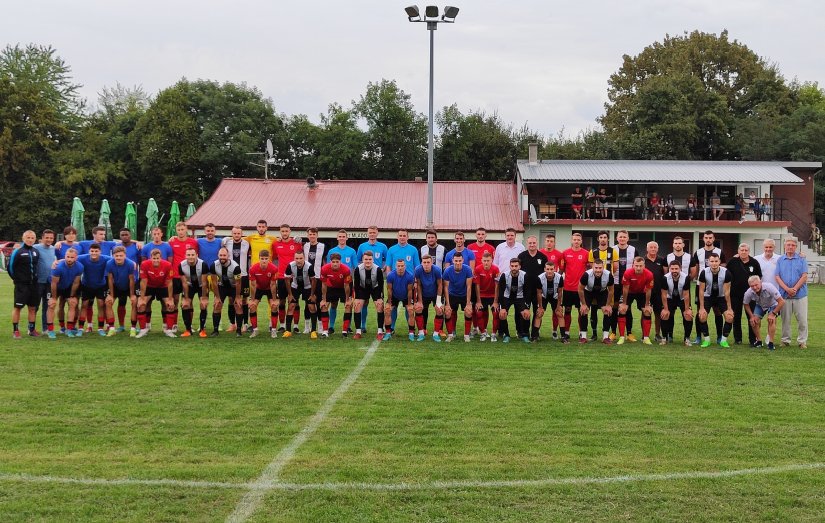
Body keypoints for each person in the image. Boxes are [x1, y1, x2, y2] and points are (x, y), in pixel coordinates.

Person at [690, 230, 724, 344]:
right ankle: (699, 337)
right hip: (701, 286)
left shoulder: (719, 252)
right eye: (706, 237)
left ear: (713, 239)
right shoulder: (698, 252)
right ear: (703, 239)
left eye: (710, 237)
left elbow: (723, 269)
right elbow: (696, 269)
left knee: (718, 311)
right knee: (701, 311)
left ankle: (719, 336)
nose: (708, 240)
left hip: (717, 286)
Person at [726, 243, 762, 346]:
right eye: (742, 250)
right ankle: (738, 339)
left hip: (751, 295)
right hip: (735, 294)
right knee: (736, 317)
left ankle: (752, 339)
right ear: (738, 251)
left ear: (749, 251)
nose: (743, 252)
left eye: (746, 250)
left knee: (751, 317)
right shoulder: (733, 262)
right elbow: (727, 275)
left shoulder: (754, 262)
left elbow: (759, 277)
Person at [775, 237, 808, 348]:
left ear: (796, 247)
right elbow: (777, 276)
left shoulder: (802, 259)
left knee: (802, 319)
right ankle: (785, 340)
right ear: (785, 246)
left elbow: (804, 276)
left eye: (793, 245)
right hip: (784, 295)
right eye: (788, 244)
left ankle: (802, 341)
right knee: (785, 320)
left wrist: (794, 289)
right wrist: (787, 289)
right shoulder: (780, 260)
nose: (790, 247)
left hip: (800, 295)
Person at [385, 229, 420, 332]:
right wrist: (389, 280)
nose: (402, 237)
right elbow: (388, 266)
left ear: (407, 237)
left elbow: (417, 267)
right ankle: (391, 328)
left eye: (404, 235)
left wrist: (416, 281)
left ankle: (411, 330)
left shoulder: (413, 250)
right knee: (393, 306)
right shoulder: (391, 249)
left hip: (409, 282)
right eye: (400, 235)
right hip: (395, 282)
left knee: (409, 306)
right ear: (397, 236)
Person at [696, 253, 734, 348]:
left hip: (721, 297)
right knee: (702, 316)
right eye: (712, 261)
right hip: (708, 297)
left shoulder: (726, 273)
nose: (714, 263)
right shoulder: (704, 272)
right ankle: (707, 340)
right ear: (708, 262)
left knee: (729, 317)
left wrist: (729, 308)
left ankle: (723, 340)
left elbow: (727, 292)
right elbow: (701, 291)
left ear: (719, 262)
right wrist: (701, 308)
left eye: (716, 261)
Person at [355, 225, 388, 333]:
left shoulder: (383, 246)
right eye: (370, 232)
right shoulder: (362, 246)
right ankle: (362, 326)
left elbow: (387, 261)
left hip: (377, 278)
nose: (372, 234)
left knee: (379, 303)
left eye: (374, 232)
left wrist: (382, 269)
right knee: (363, 303)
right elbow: (358, 261)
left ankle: (381, 327)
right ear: (367, 233)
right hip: (364, 278)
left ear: (377, 233)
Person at [8, 230, 41, 338]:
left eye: (32, 238)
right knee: (18, 307)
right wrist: (17, 279)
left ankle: (31, 330)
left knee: (32, 308)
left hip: (33, 285)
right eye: (28, 237)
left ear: (35, 239)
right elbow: (10, 268)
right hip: (21, 285)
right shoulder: (17, 251)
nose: (30, 240)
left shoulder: (36, 251)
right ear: (23, 238)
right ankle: (15, 331)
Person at [136, 248, 175, 338]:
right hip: (149, 286)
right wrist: (141, 298)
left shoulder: (168, 265)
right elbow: (143, 282)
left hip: (163, 286)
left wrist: (170, 299)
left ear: (161, 258)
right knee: (141, 305)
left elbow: (169, 282)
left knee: (169, 305)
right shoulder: (144, 264)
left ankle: (168, 329)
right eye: (154, 258)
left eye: (157, 258)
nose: (156, 260)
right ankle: (143, 329)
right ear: (150, 258)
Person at [273, 224, 304, 333]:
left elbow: (302, 257)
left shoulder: (296, 243)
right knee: (281, 301)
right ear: (280, 232)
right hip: (281, 276)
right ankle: (282, 325)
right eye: (283, 231)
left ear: (290, 231)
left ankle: (295, 326)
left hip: (294, 277)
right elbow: (272, 257)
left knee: (295, 301)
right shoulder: (276, 243)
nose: (285, 233)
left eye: (286, 231)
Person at [77, 244, 113, 336]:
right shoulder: (83, 258)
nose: (94, 253)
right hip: (86, 285)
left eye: (96, 251)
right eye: (92, 251)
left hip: (101, 285)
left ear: (100, 252)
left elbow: (117, 259)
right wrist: (57, 262)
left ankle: (100, 328)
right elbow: (70, 258)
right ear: (89, 251)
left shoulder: (105, 258)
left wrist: (132, 263)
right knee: (84, 305)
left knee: (101, 305)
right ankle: (81, 328)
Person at [169, 222, 199, 333]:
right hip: (176, 276)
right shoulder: (172, 242)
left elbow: (197, 257)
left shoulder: (193, 242)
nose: (181, 231)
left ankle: (189, 325)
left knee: (188, 301)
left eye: (182, 229)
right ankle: (174, 325)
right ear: (176, 231)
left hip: (189, 277)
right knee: (175, 300)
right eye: (179, 230)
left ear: (186, 229)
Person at [617, 256, 654, 345]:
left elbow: (649, 290)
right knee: (622, 309)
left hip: (642, 293)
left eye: (640, 266)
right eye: (636, 265)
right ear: (633, 265)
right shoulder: (628, 273)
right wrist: (624, 303)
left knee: (647, 311)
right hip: (629, 292)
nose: (638, 268)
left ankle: (646, 338)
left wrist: (647, 305)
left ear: (644, 266)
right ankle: (622, 337)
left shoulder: (649, 274)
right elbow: (625, 289)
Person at [47, 248, 83, 338]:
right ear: (65, 257)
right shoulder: (58, 267)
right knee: (52, 305)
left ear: (76, 258)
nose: (69, 259)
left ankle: (69, 329)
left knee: (73, 303)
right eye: (67, 257)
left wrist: (71, 296)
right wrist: (54, 298)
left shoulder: (80, 267)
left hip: (69, 286)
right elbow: (54, 283)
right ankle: (51, 330)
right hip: (55, 286)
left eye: (72, 257)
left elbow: (76, 282)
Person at [586, 231, 616, 339]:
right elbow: (591, 266)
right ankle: (594, 333)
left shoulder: (613, 251)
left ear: (607, 239)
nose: (603, 239)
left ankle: (606, 333)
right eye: (601, 237)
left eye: (605, 237)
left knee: (607, 309)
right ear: (598, 239)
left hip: (607, 284)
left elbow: (615, 267)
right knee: (593, 309)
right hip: (595, 284)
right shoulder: (592, 251)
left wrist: (608, 276)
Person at [221, 226, 250, 333]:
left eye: (238, 233)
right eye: (234, 233)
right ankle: (232, 324)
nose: (236, 235)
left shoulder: (247, 243)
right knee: (231, 300)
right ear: (231, 234)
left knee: (243, 300)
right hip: (231, 276)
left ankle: (245, 324)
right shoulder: (226, 242)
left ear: (242, 233)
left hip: (244, 275)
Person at [518, 235, 548, 340]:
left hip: (539, 290)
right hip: (525, 290)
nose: (532, 245)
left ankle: (535, 333)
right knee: (525, 311)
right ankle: (525, 333)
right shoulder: (521, 256)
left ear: (537, 243)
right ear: (527, 244)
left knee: (538, 311)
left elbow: (546, 273)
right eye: (530, 243)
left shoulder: (543, 257)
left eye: (534, 243)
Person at [105, 245, 139, 337]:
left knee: (134, 302)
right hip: (116, 285)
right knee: (108, 302)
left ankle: (133, 328)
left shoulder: (130, 264)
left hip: (129, 285)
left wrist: (132, 295)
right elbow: (110, 279)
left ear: (125, 256)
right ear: (113, 256)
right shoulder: (109, 263)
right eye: (116, 256)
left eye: (121, 255)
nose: (118, 257)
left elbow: (131, 280)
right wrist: (111, 295)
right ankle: (112, 328)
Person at [743, 276, 785, 350]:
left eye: (756, 285)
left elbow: (781, 302)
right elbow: (746, 304)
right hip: (760, 305)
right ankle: (759, 341)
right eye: (752, 286)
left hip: (773, 304)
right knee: (754, 321)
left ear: (760, 282)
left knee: (771, 320)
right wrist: (751, 316)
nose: (755, 288)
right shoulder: (748, 292)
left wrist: (773, 314)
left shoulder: (769, 287)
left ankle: (771, 343)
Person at [209, 247, 243, 337]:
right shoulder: (213, 265)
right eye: (220, 255)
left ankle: (239, 330)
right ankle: (215, 330)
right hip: (222, 287)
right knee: (217, 305)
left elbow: (238, 282)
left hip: (233, 287)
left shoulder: (235, 267)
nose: (222, 257)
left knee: (238, 305)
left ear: (228, 256)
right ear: (218, 255)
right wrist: (217, 297)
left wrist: (238, 296)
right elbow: (214, 282)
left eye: (224, 255)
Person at [578, 259, 614, 344]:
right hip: (588, 292)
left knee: (607, 311)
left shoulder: (609, 275)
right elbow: (580, 289)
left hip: (602, 292)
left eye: (600, 268)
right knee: (584, 311)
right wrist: (583, 304)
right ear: (592, 267)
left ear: (603, 267)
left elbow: (611, 290)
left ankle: (605, 337)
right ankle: (583, 336)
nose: (598, 270)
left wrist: (608, 305)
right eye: (596, 268)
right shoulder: (586, 274)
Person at [284, 251, 319, 339]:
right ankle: (288, 331)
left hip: (307, 287)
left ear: (304, 258)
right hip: (295, 286)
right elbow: (287, 280)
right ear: (294, 258)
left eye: (301, 258)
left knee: (311, 307)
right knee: (291, 306)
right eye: (297, 258)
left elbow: (314, 281)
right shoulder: (290, 265)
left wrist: (312, 294)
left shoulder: (309, 266)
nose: (299, 260)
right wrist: (290, 294)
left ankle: (313, 331)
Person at [561, 233, 588, 343]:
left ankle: (581, 333)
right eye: (574, 239)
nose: (576, 241)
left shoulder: (586, 253)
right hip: (568, 287)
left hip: (580, 289)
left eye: (578, 240)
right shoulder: (565, 253)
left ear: (581, 241)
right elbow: (562, 269)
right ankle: (566, 333)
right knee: (567, 310)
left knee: (581, 311)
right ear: (571, 241)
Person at [496, 258, 531, 343]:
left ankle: (524, 335)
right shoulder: (504, 275)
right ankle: (507, 335)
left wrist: (527, 307)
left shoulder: (524, 275)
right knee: (502, 314)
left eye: (516, 266)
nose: (514, 268)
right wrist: (503, 307)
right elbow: (501, 292)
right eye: (512, 266)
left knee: (526, 314)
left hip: (519, 297)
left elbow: (528, 292)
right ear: (510, 266)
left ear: (519, 266)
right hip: (507, 297)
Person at [178, 246, 210, 338]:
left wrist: (204, 297)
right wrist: (186, 298)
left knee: (203, 304)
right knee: (185, 305)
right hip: (189, 285)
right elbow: (184, 283)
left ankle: (202, 330)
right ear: (185, 256)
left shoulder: (203, 264)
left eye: (192, 255)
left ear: (197, 255)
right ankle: (188, 330)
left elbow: (204, 282)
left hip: (201, 286)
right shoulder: (181, 265)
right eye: (188, 255)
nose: (190, 257)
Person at [611, 230, 637, 340]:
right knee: (614, 307)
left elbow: (637, 266)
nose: (622, 239)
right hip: (615, 283)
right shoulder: (612, 249)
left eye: (624, 237)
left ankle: (629, 333)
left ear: (628, 238)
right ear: (617, 238)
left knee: (628, 307)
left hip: (628, 284)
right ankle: (613, 332)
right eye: (620, 237)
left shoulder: (633, 250)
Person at [319, 253, 353, 339]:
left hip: (343, 287)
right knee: (324, 306)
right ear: (330, 262)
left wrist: (347, 300)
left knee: (348, 306)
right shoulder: (324, 269)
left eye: (337, 262)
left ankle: (345, 331)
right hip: (331, 287)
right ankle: (326, 331)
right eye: (333, 262)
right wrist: (323, 299)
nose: (335, 263)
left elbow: (347, 286)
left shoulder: (346, 270)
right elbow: (323, 285)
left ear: (340, 262)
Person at [442, 252, 474, 342]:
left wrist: (468, 303)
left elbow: (469, 287)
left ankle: (466, 335)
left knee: (468, 312)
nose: (458, 262)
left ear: (463, 260)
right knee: (448, 312)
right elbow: (446, 288)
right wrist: (447, 304)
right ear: (452, 261)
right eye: (456, 261)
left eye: (460, 260)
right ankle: (451, 334)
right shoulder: (447, 270)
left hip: (464, 294)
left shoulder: (467, 269)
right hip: (452, 294)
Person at [660, 260, 693, 346]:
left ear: (680, 268)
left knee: (688, 315)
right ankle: (664, 338)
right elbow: (664, 295)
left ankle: (687, 339)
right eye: (672, 268)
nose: (674, 270)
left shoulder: (686, 278)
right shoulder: (665, 278)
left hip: (682, 298)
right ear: (669, 269)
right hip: (669, 298)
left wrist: (687, 310)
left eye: (676, 268)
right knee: (665, 314)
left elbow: (686, 295)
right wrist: (665, 309)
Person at [352, 251, 384, 340]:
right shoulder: (358, 269)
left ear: (373, 260)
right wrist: (356, 298)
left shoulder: (378, 269)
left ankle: (380, 331)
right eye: (366, 259)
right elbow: (357, 285)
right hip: (362, 288)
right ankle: (358, 331)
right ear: (363, 259)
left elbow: (381, 285)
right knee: (357, 306)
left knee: (380, 305)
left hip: (375, 288)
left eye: (370, 259)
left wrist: (380, 297)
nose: (368, 261)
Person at [247, 249, 279, 338]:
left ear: (269, 259)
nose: (264, 260)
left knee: (274, 306)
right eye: (262, 258)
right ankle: (255, 330)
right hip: (259, 288)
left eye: (266, 258)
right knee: (252, 306)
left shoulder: (274, 268)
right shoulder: (253, 268)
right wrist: (252, 300)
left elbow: (273, 285)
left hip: (269, 288)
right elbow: (253, 285)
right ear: (259, 258)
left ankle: (273, 330)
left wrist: (274, 300)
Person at [383, 258, 415, 340]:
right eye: (398, 266)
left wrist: (409, 304)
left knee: (411, 311)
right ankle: (388, 332)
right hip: (394, 295)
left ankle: (411, 332)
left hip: (406, 295)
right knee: (387, 310)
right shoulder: (390, 275)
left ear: (405, 266)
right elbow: (389, 289)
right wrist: (389, 303)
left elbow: (410, 291)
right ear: (395, 266)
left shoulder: (410, 276)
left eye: (402, 266)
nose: (400, 267)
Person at [414, 254, 444, 342]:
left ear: (432, 262)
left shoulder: (437, 270)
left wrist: (438, 301)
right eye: (424, 262)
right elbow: (418, 285)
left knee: (439, 310)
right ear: (421, 263)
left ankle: (436, 333)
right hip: (424, 293)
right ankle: (421, 332)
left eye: (428, 262)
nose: (426, 264)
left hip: (435, 293)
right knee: (419, 308)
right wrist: (419, 300)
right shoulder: (418, 270)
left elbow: (440, 285)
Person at [533, 260, 564, 342]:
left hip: (555, 296)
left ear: (555, 269)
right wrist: (540, 307)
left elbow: (560, 292)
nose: (549, 271)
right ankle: (535, 336)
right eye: (548, 269)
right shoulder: (539, 278)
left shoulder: (560, 277)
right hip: (543, 296)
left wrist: (558, 306)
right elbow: (539, 293)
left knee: (559, 313)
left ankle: (563, 336)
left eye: (551, 269)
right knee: (539, 314)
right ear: (544, 269)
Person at [33, 229, 56, 333]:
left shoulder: (54, 249)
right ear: (42, 238)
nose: (49, 239)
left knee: (47, 306)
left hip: (49, 282)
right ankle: (31, 328)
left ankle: (45, 329)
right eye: (47, 237)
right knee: (35, 306)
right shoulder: (35, 248)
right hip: (38, 282)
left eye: (51, 238)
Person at [473, 251, 500, 342]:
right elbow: (477, 285)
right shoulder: (477, 269)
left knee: (496, 313)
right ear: (481, 260)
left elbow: (497, 285)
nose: (486, 263)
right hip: (482, 295)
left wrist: (496, 301)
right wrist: (478, 301)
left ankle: (493, 334)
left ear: (492, 260)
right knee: (479, 313)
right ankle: (483, 333)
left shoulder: (496, 269)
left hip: (493, 295)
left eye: (488, 260)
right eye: (484, 260)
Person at [643, 241, 666, 342]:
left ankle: (657, 334)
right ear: (647, 249)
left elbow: (665, 275)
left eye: (655, 247)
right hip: (645, 291)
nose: (653, 249)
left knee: (658, 313)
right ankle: (645, 334)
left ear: (657, 249)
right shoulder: (643, 260)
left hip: (658, 290)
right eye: (651, 247)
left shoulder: (662, 260)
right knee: (645, 312)